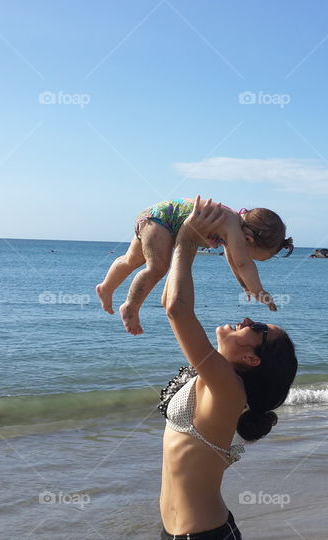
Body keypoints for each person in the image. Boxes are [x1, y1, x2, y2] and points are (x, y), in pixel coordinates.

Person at [158, 197, 298, 539]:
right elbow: (172, 304)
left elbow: (176, 309)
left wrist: (187, 240)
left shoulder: (227, 389)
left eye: (260, 329)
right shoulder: (220, 381)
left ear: (253, 359)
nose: (248, 318)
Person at [96, 198, 294, 335]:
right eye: (256, 257)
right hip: (163, 222)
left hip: (153, 216)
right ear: (249, 239)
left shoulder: (230, 224)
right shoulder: (232, 226)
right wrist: (259, 290)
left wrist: (244, 285)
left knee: (131, 260)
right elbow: (243, 263)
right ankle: (130, 307)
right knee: (157, 268)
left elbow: (234, 261)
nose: (246, 255)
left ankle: (106, 287)